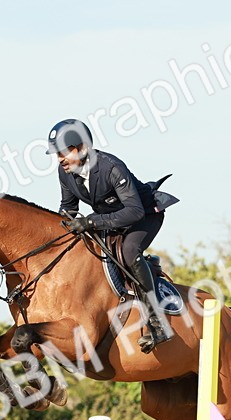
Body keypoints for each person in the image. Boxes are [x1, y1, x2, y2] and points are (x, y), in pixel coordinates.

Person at [46, 118, 171, 353]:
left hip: (144, 215)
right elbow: (68, 208)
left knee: (129, 251)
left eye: (63, 153)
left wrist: (91, 221)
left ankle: (157, 322)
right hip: (111, 219)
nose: (60, 159)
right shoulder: (66, 173)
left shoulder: (110, 167)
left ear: (82, 148)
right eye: (57, 154)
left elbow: (134, 211)